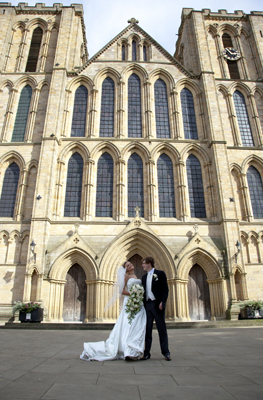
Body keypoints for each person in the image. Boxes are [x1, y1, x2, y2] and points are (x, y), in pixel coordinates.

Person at [80, 261, 146, 361]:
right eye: (127, 265)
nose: (130, 265)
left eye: (130, 264)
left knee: (137, 324)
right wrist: (133, 294)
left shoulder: (135, 275)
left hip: (138, 303)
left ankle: (133, 348)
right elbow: (121, 291)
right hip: (130, 302)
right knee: (128, 324)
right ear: (125, 269)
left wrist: (139, 294)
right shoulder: (125, 276)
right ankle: (127, 349)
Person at [141, 256, 171, 361]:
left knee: (161, 329)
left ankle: (166, 352)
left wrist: (163, 302)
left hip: (157, 305)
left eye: (144, 263)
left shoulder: (160, 273)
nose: (142, 266)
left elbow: (165, 289)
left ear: (149, 263)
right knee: (147, 330)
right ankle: (146, 353)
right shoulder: (144, 277)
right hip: (148, 305)